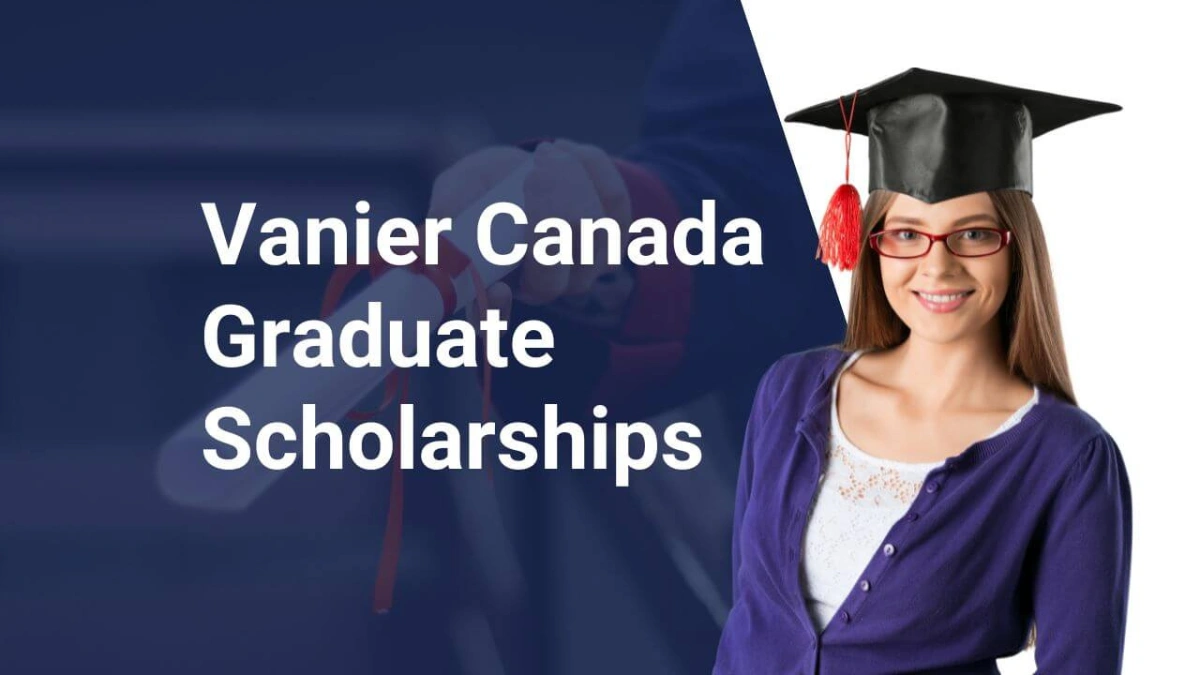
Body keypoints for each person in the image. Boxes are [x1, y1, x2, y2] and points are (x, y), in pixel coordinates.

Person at [713, 69, 1133, 674]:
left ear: (1017, 248)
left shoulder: (1069, 457)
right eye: (907, 234)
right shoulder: (790, 390)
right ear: (872, 243)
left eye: (974, 234)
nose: (937, 267)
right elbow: (749, 617)